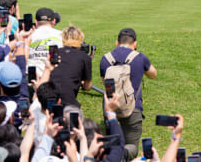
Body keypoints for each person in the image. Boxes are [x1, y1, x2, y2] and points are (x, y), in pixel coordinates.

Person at [99, 28, 156, 160]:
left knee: (112, 146)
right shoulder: (139, 58)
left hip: (110, 108)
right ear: (134, 43)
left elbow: (104, 83)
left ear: (116, 42)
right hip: (133, 108)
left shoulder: (106, 59)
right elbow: (153, 74)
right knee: (132, 147)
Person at [48, 25, 92, 109]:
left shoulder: (54, 54)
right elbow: (88, 86)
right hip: (69, 102)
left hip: (49, 99)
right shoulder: (84, 57)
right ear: (80, 39)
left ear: (63, 38)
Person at [27, 7, 62, 75]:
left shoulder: (27, 36)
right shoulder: (62, 35)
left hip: (32, 78)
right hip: (54, 77)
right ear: (54, 21)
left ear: (36, 22)